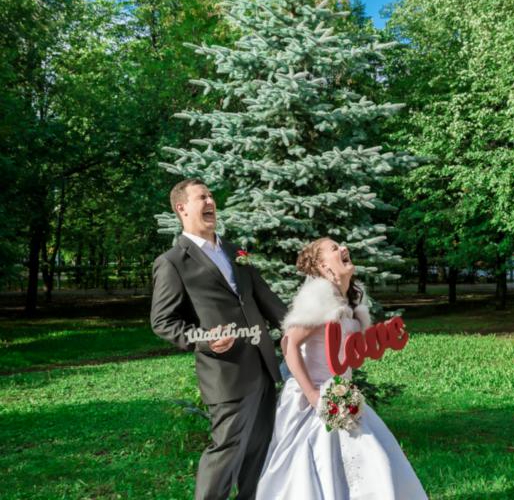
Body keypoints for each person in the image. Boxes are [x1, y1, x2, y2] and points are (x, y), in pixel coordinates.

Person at [256, 237, 429, 499]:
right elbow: (289, 345)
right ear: (323, 267)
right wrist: (313, 395)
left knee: (373, 456)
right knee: (315, 460)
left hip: (343, 395)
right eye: (335, 249)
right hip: (313, 397)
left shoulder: (351, 303)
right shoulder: (319, 299)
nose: (344, 248)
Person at [150, 178, 287, 500]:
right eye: (202, 197)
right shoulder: (173, 262)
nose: (210, 201)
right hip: (226, 372)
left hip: (263, 365)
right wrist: (204, 340)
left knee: (260, 450)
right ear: (182, 208)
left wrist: (299, 325)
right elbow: (162, 322)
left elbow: (265, 298)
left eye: (211, 196)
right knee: (226, 451)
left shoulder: (234, 251)